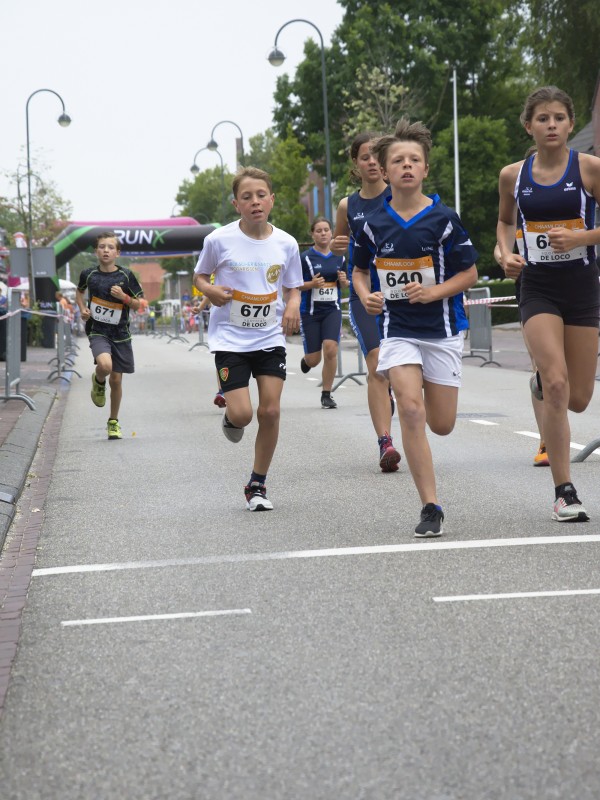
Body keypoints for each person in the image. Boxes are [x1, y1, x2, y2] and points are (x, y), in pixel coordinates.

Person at [353, 118, 478, 536]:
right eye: (398, 161)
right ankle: (430, 506)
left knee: (441, 423)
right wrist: (366, 295)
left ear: (425, 168)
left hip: (441, 331)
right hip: (398, 329)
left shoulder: (444, 219)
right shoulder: (372, 223)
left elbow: (470, 273)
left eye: (414, 160)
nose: (406, 166)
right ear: (385, 171)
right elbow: (358, 271)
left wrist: (434, 291)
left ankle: (429, 392)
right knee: (409, 408)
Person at [497, 85, 600, 522]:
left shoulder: (590, 168)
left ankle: (541, 382)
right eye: (543, 119)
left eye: (559, 118)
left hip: (582, 288)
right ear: (529, 126)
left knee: (578, 398)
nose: (551, 125)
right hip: (537, 286)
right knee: (557, 384)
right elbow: (505, 222)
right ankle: (565, 492)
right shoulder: (512, 175)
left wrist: (581, 237)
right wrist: (504, 254)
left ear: (571, 124)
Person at [193, 166, 303, 512]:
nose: (255, 202)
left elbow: (293, 286)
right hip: (230, 340)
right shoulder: (218, 240)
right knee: (243, 415)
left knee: (270, 411)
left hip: (269, 337)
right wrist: (210, 290)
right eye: (247, 197)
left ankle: (257, 484)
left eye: (261, 195)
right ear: (236, 204)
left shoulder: (286, 243)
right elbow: (199, 276)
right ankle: (231, 417)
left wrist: (293, 305)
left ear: (272, 200)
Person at [332, 132, 401, 471]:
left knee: (399, 368)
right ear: (356, 164)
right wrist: (337, 247)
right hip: (364, 294)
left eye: (376, 155)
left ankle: (394, 398)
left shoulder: (399, 194)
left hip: (401, 293)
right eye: (364, 157)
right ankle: (385, 442)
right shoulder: (348, 206)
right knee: (376, 364)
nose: (372, 161)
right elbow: (339, 244)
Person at [76, 232, 144, 440]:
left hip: (121, 334)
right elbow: (79, 292)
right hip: (98, 331)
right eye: (102, 247)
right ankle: (98, 379)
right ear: (96, 251)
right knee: (105, 366)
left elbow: (139, 304)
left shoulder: (126, 276)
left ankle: (113, 422)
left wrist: (124, 297)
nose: (106, 250)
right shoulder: (88, 274)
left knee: (115, 380)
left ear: (118, 253)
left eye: (111, 247)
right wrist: (82, 309)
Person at [494, 226, 549, 467]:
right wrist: (505, 257)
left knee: (576, 387)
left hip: (575, 290)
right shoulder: (518, 206)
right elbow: (500, 245)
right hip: (531, 293)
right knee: (543, 369)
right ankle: (547, 441)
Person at [299, 216, 348, 408]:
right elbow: (294, 284)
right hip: (310, 312)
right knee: (314, 360)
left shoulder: (340, 257)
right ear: (312, 234)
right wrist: (311, 284)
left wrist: (344, 282)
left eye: (326, 230)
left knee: (330, 348)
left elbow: (347, 283)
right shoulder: (305, 258)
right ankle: (307, 361)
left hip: (332, 310)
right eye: (318, 231)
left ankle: (326, 394)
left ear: (331, 232)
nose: (323, 234)